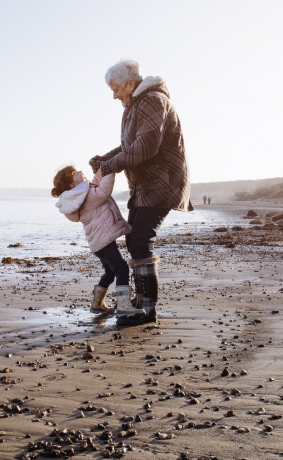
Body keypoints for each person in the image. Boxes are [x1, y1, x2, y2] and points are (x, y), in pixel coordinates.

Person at [89, 59, 191, 326]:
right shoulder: (137, 105)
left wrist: (109, 165)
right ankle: (140, 303)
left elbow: (145, 148)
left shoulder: (152, 101)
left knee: (140, 240)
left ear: (130, 84)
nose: (114, 96)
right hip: (147, 186)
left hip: (161, 183)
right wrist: (105, 159)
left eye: (116, 89)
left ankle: (147, 309)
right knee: (135, 239)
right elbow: (129, 145)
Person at [51, 165, 144, 319]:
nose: (80, 171)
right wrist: (111, 168)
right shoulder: (87, 196)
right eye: (74, 173)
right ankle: (123, 305)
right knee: (121, 269)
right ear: (72, 185)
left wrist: (104, 167)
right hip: (103, 241)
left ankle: (97, 303)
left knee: (110, 271)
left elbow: (96, 182)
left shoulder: (81, 194)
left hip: (98, 243)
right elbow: (104, 191)